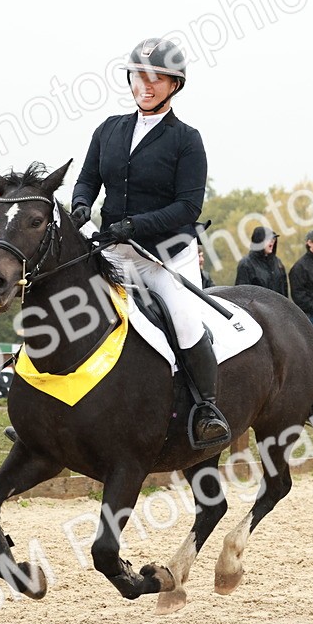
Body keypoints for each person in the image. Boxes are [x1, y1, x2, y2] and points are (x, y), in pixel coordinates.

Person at [70, 36, 229, 448]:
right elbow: (87, 179)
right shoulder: (109, 129)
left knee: (185, 321)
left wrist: (136, 224)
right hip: (115, 252)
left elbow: (187, 206)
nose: (147, 84)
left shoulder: (186, 139)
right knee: (70, 310)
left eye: (157, 78)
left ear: (174, 85)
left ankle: (207, 410)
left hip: (165, 259)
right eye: (140, 76)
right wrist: (82, 204)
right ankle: (52, 409)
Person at [235, 227, 288, 296]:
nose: (272, 241)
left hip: (278, 306)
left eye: (273, 239)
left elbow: (284, 290)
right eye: (268, 239)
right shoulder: (246, 264)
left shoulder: (277, 262)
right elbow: (242, 295)